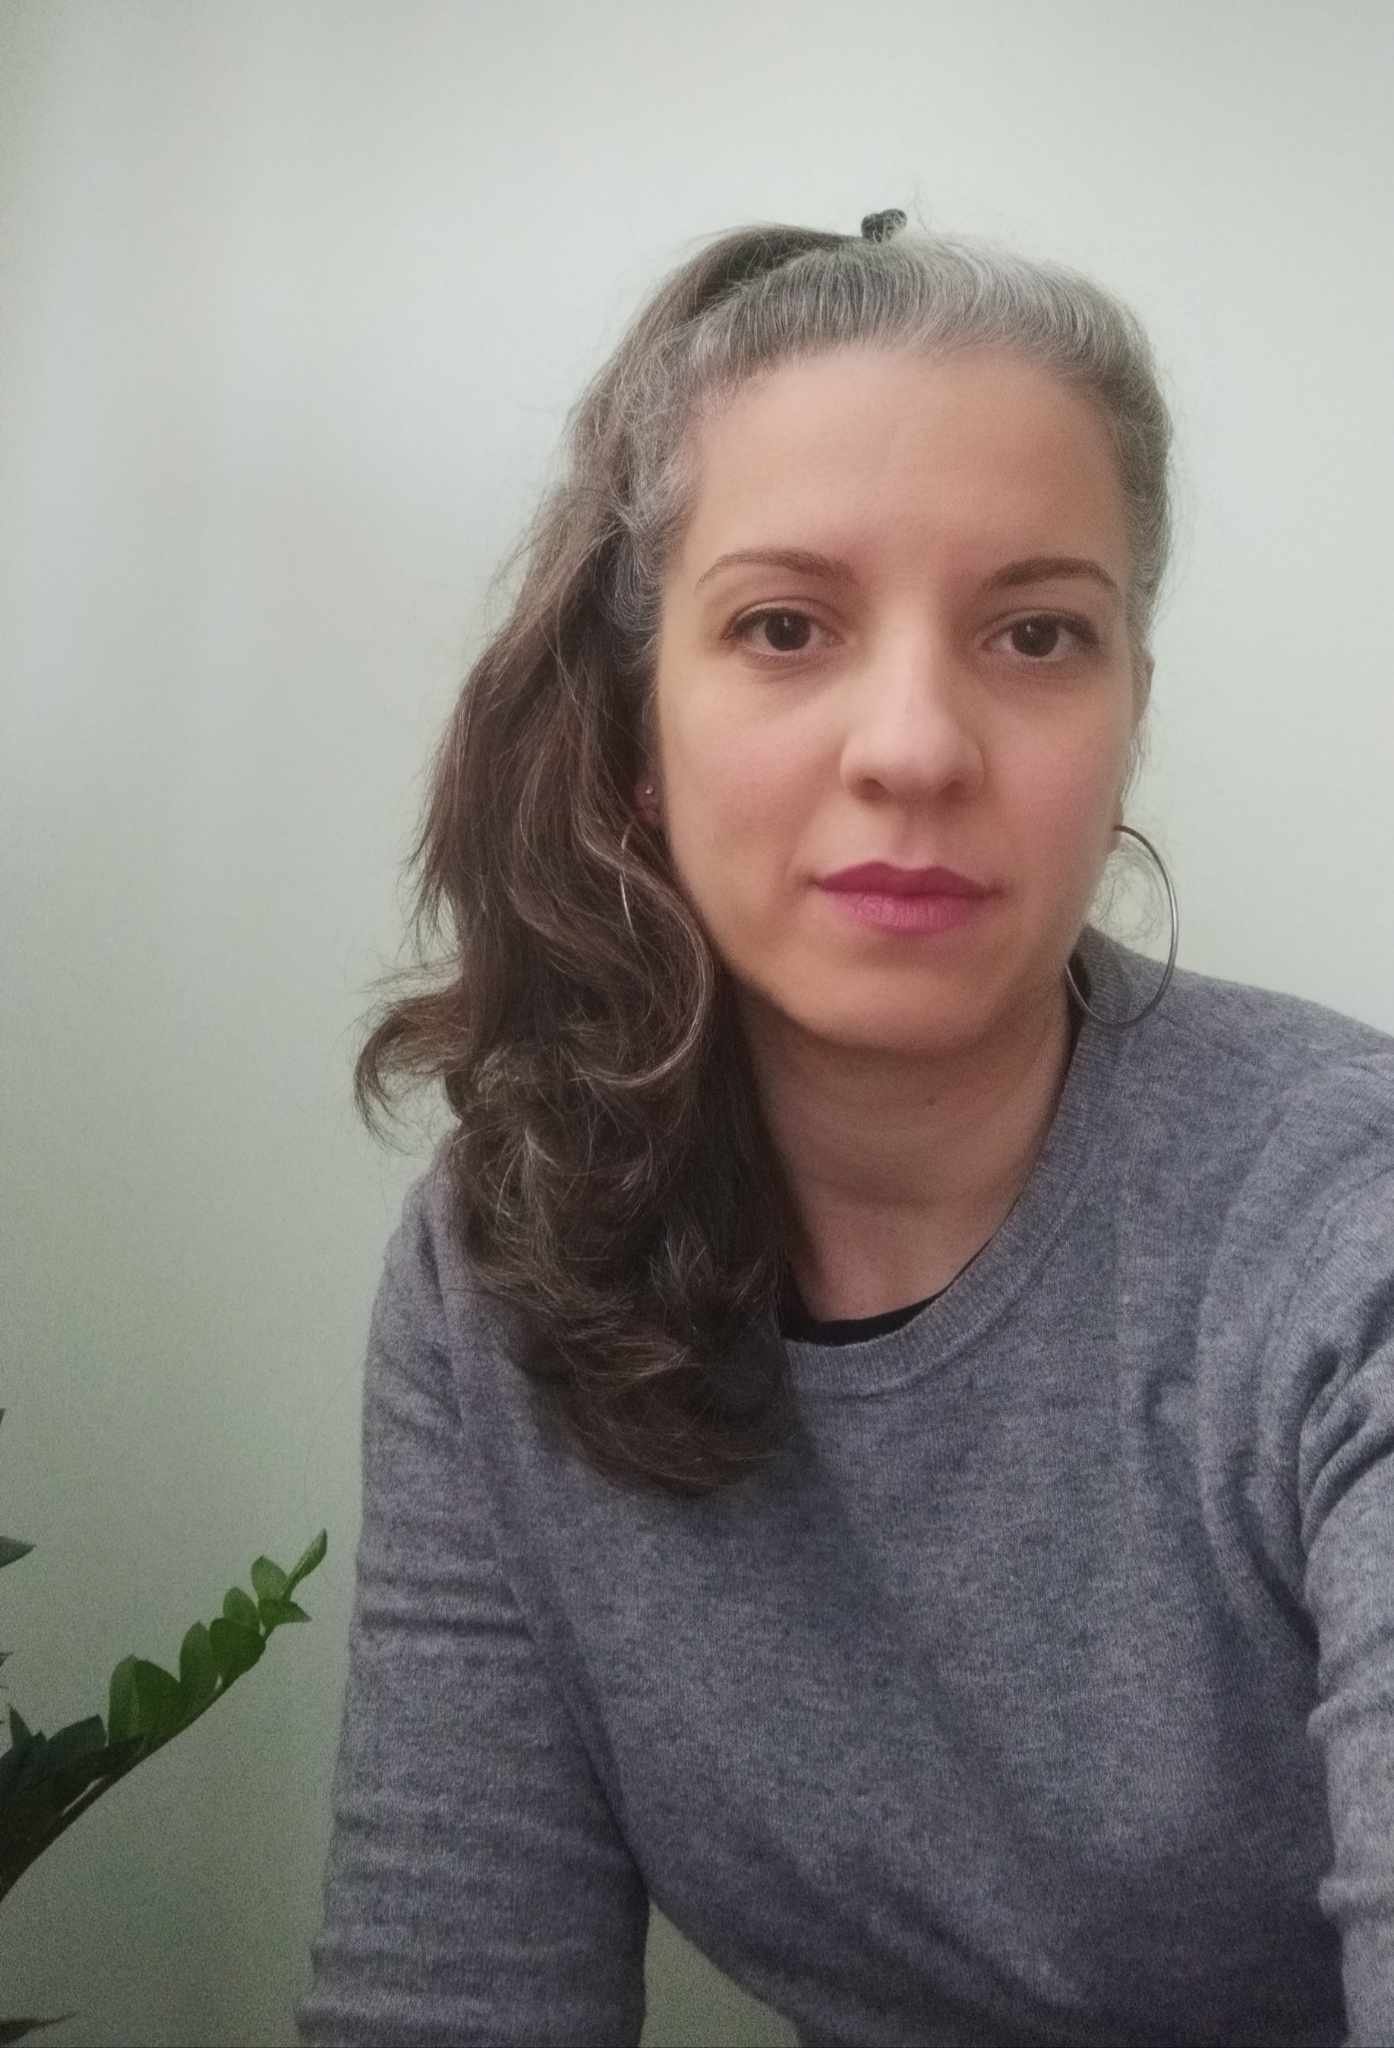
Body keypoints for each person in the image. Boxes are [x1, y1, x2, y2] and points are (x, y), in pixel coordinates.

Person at [294, 210, 1394, 2047]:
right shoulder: (505, 1256)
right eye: (784, 626)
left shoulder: (1343, 1230)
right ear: (638, 726)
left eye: (1035, 633)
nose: (913, 747)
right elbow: (449, 1991)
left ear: (1127, 709)